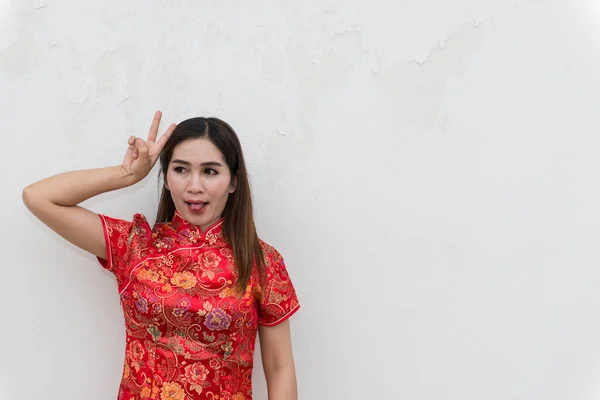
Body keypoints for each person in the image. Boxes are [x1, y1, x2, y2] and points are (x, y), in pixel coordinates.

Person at [22, 111, 301, 400]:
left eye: (210, 171)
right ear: (166, 178)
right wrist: (127, 174)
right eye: (180, 169)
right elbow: (38, 197)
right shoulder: (135, 246)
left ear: (233, 182)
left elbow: (279, 367)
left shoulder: (262, 261)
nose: (194, 186)